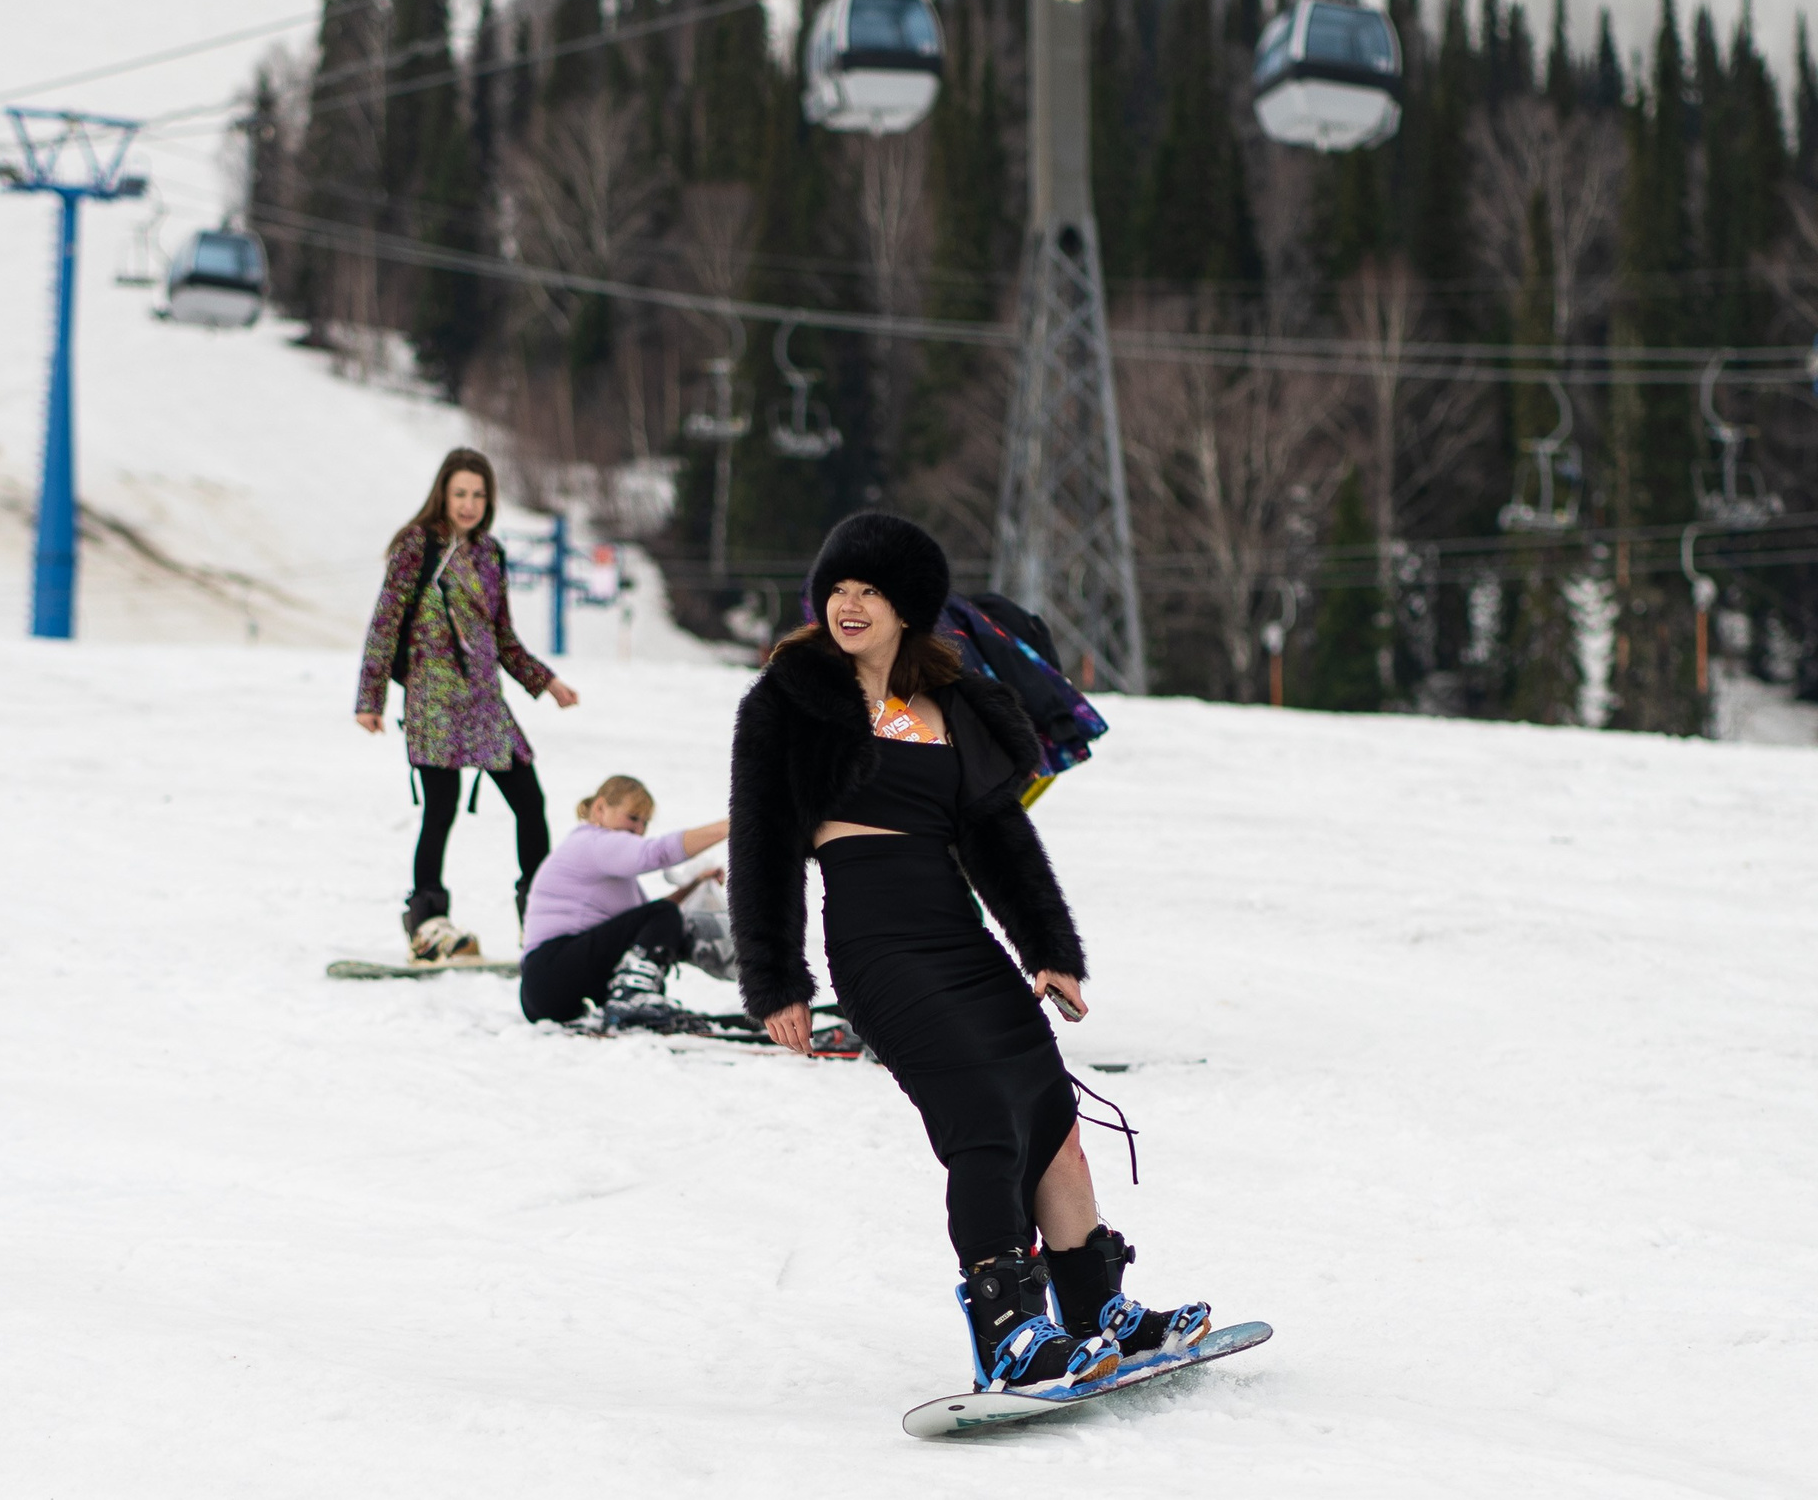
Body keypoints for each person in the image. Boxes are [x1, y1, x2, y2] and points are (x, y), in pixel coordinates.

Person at [728, 511, 1209, 1398]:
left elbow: (999, 837)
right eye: (838, 587)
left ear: (909, 604)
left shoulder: (948, 705)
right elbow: (759, 843)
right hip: (876, 946)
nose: (849, 603)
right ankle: (1005, 1329)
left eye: (869, 588)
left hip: (960, 937)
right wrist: (775, 978)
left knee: (1052, 1117)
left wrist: (1049, 949)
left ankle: (1094, 1307)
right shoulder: (790, 700)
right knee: (983, 1116)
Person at [355, 448, 579, 958]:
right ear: (443, 493)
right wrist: (370, 699)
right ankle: (428, 925)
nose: (469, 503)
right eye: (460, 493)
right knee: (440, 809)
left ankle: (541, 916)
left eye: (478, 495)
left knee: (530, 802)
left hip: (484, 705)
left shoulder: (490, 553)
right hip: (433, 701)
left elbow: (502, 638)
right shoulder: (418, 546)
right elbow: (385, 625)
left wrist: (546, 682)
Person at [519, 775, 729, 1028]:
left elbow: (652, 921)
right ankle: (633, 999)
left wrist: (694, 885)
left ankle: (632, 999)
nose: (638, 829)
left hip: (549, 988)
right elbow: (656, 854)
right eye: (632, 817)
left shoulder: (606, 862)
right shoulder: (590, 842)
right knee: (664, 913)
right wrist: (730, 825)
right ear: (600, 808)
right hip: (550, 973)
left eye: (645, 822)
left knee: (665, 915)